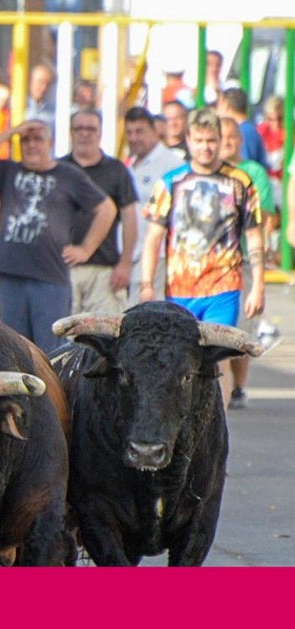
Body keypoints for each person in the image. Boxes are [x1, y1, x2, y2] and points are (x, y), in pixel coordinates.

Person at [139, 107, 265, 408]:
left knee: (217, 358)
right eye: (199, 140)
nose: (206, 147)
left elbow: (254, 236)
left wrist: (258, 286)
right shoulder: (171, 182)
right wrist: (146, 284)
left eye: (211, 140)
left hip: (224, 287)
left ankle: (215, 426)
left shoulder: (240, 182)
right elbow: (154, 237)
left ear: (221, 140)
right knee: (177, 360)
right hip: (180, 290)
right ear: (188, 140)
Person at [0, 120, 116, 352]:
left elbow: (106, 209)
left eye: (38, 139)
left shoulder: (68, 175)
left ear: (50, 142)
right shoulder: (9, 171)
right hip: (11, 275)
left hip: (50, 278)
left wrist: (86, 248)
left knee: (51, 351)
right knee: (13, 349)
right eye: (26, 140)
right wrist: (12, 131)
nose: (31, 145)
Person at [218, 117, 280, 409]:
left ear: (240, 139)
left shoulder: (252, 172)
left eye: (231, 136)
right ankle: (220, 389)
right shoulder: (208, 173)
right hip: (212, 265)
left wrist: (262, 260)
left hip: (242, 259)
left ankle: (238, 386)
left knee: (240, 331)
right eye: (222, 136)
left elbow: (265, 216)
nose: (227, 141)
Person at [60, 109, 138, 313]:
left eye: (91, 129)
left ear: (100, 132)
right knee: (60, 339)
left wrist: (125, 264)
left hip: (104, 271)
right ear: (71, 132)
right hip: (62, 269)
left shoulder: (117, 170)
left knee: (104, 336)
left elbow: (130, 218)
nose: (85, 134)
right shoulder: (59, 169)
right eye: (79, 129)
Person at [123, 106, 185, 302]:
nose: (134, 138)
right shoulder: (130, 164)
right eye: (129, 132)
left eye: (139, 131)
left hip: (156, 258)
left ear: (154, 132)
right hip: (129, 257)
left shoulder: (172, 166)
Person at [217, 87, 269, 170]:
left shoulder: (244, 131)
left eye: (218, 105)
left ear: (226, 105)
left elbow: (245, 167)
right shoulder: (247, 128)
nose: (217, 110)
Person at [25, 63, 57, 136]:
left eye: (47, 84)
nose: (44, 88)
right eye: (40, 82)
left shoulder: (54, 113)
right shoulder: (19, 106)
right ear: (30, 82)